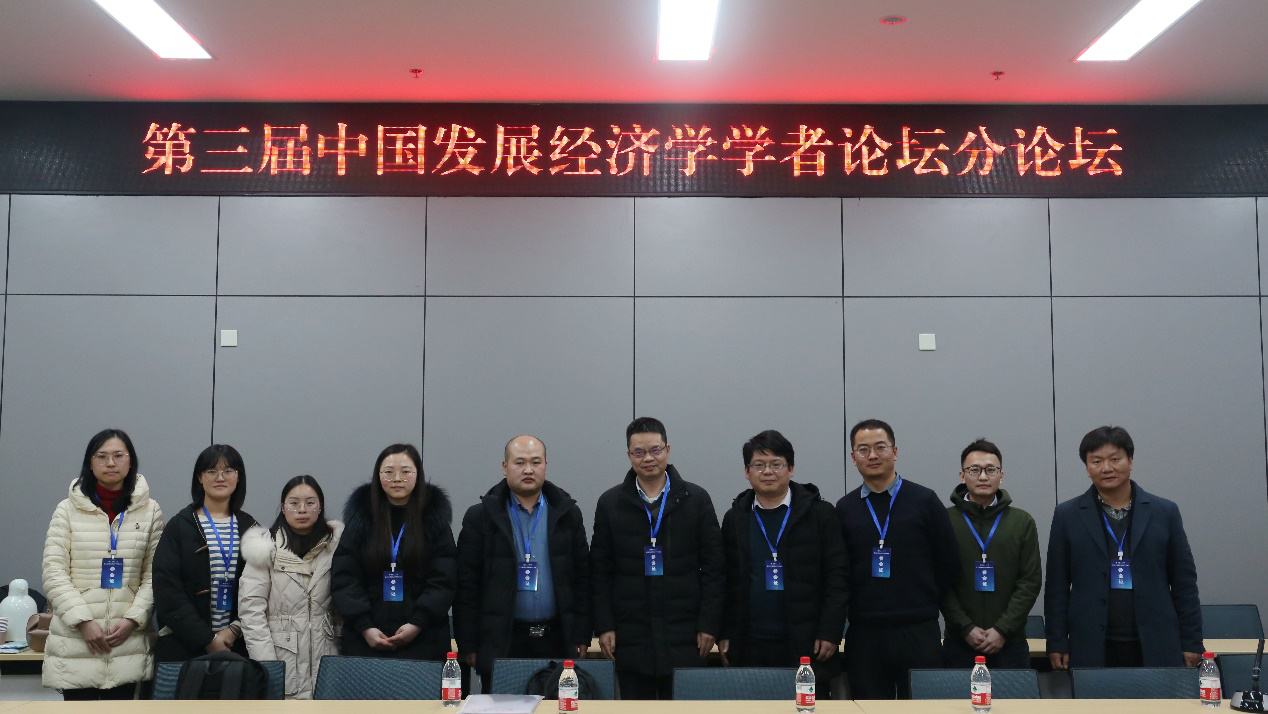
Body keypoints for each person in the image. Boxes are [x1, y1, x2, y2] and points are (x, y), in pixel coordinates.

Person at [1045, 425, 1203, 669]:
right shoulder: (1067, 515)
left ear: (1130, 461)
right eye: (1096, 461)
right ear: (1087, 468)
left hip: (1156, 641)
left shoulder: (1165, 512)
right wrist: (1056, 641)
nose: (1106, 468)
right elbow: (1057, 585)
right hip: (1091, 643)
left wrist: (1192, 641)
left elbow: (1184, 582)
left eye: (1115, 459)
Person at [590, 417, 725, 699]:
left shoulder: (696, 499)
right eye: (639, 452)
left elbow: (715, 568)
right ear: (629, 455)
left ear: (667, 450)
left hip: (686, 634)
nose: (648, 458)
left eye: (655, 450)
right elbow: (600, 572)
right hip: (630, 634)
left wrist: (709, 624)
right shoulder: (611, 503)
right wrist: (604, 625)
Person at [836, 419, 959, 699]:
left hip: (918, 628)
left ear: (895, 452)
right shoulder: (845, 508)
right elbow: (839, 572)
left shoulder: (925, 500)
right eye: (863, 449)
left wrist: (923, 598)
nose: (873, 455)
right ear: (853, 458)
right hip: (865, 632)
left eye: (880, 447)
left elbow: (948, 562)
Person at [454, 435, 590, 688]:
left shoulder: (567, 514)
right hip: (503, 640)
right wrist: (468, 644)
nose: (528, 470)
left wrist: (581, 634)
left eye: (536, 462)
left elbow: (583, 578)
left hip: (557, 639)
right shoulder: (481, 517)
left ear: (546, 465)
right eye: (520, 462)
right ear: (505, 467)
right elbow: (467, 586)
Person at [719, 430, 848, 697]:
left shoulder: (820, 514)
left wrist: (830, 631)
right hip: (750, 643)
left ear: (790, 469)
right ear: (746, 472)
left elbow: (837, 577)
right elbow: (725, 580)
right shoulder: (736, 518)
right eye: (759, 465)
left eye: (776, 464)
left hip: (807, 643)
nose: (768, 471)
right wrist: (725, 632)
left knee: (804, 708)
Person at [41, 429, 164, 700]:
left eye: (118, 455)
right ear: (90, 462)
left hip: (127, 641)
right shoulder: (66, 510)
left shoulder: (150, 511)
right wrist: (83, 622)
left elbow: (154, 575)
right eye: (102, 456)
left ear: (130, 461)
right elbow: (54, 572)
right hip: (76, 641)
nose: (111, 463)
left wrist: (133, 619)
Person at [333, 444, 456, 660]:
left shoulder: (433, 519)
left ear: (418, 475)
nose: (397, 478)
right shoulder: (361, 518)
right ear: (377, 475)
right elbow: (345, 578)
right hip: (365, 640)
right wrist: (365, 626)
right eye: (389, 472)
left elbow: (444, 579)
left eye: (406, 471)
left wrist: (418, 623)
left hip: (424, 638)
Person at [239, 475, 343, 699]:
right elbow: (251, 611)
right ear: (283, 508)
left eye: (310, 503)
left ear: (320, 507)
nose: (302, 510)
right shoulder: (264, 549)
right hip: (282, 659)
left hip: (328, 655)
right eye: (294, 503)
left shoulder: (337, 547)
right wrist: (268, 667)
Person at [941, 438, 1041, 669]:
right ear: (962, 476)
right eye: (974, 470)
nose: (983, 477)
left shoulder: (1022, 521)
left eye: (991, 470)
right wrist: (965, 627)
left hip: (1010, 643)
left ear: (1001, 475)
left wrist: (1002, 629)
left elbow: (1030, 581)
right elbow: (939, 582)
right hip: (959, 642)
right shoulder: (944, 520)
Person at [154, 444, 258, 662]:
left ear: (238, 477)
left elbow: (262, 591)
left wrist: (233, 630)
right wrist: (207, 639)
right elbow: (167, 590)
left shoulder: (251, 528)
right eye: (211, 471)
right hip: (184, 646)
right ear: (200, 478)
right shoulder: (179, 526)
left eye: (228, 471)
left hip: (237, 646)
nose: (220, 477)